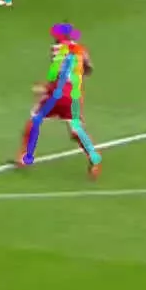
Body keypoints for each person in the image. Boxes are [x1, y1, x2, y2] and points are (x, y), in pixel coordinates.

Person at [16, 23, 102, 179]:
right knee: (76, 130)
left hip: (57, 94)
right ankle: (94, 158)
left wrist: (44, 88)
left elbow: (56, 74)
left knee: (34, 119)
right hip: (74, 96)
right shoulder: (82, 50)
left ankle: (23, 157)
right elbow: (89, 69)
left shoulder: (56, 50)